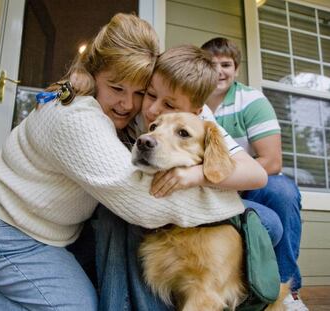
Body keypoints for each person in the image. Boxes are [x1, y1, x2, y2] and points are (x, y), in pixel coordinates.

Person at [0, 14, 264, 311]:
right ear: (93, 74)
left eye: (139, 92)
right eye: (117, 88)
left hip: (56, 232)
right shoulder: (77, 118)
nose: (129, 105)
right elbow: (143, 205)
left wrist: (199, 175)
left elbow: (251, 170)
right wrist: (231, 206)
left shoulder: (144, 111)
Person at [96, 44, 282, 310]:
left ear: (196, 110)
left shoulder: (201, 122)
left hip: (196, 212)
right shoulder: (130, 103)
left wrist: (197, 175)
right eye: (150, 95)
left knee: (270, 222)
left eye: (170, 105)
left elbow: (256, 174)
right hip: (130, 209)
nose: (153, 110)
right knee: (113, 217)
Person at [201, 37, 306, 311]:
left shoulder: (250, 100)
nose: (220, 71)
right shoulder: (191, 98)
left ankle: (287, 291)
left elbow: (271, 161)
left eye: (226, 64)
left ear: (236, 69)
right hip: (204, 185)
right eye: (212, 64)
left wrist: (227, 178)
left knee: (282, 191)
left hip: (249, 184)